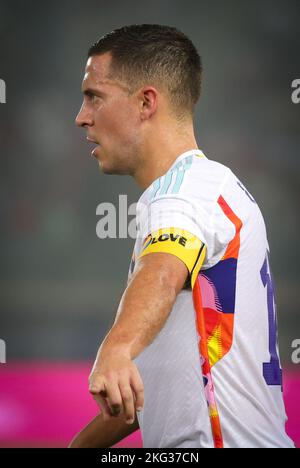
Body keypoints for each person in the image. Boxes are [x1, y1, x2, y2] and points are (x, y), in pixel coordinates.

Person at [70, 24, 294, 448]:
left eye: (93, 96)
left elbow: (163, 270)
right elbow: (174, 388)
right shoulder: (211, 188)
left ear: (146, 102)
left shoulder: (184, 191)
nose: (81, 116)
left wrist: (116, 349)